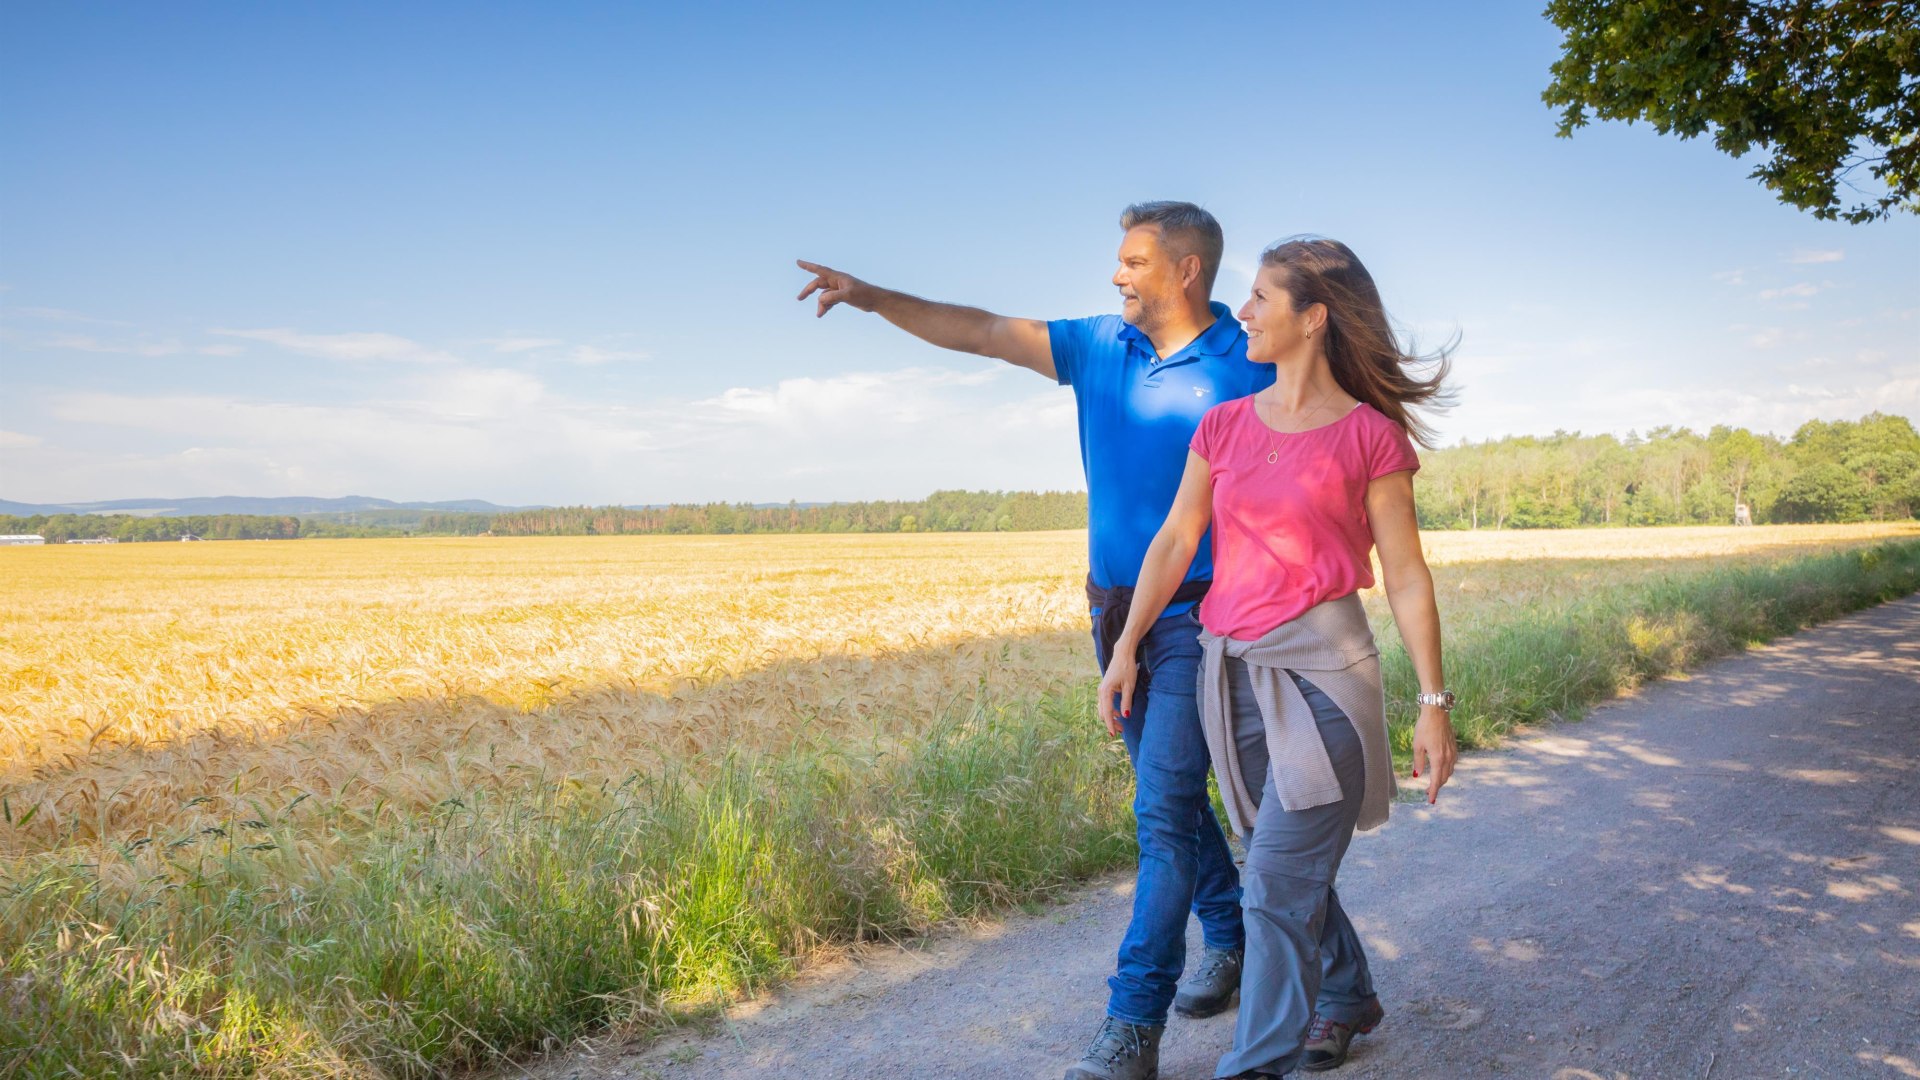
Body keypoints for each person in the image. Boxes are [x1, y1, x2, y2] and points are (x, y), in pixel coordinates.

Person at [797, 202, 1274, 1080]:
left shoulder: (1251, 358)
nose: (1117, 276)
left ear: (1187, 270)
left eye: (1133, 261)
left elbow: (1321, 431)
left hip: (1203, 619)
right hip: (1113, 614)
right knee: (1166, 796)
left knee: (1162, 814)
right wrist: (871, 298)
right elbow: (980, 330)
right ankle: (1235, 934)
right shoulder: (1100, 345)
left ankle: (1133, 1025)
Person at [1095, 236, 1460, 1078]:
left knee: (1270, 889)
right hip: (1231, 678)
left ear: (1313, 318)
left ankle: (1254, 1063)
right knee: (1278, 866)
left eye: (1260, 298)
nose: (1244, 311)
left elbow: (1405, 577)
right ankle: (1347, 994)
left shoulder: (1369, 438)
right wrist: (1126, 649)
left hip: (1323, 678)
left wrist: (1433, 705)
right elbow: (1175, 540)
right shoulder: (1222, 426)